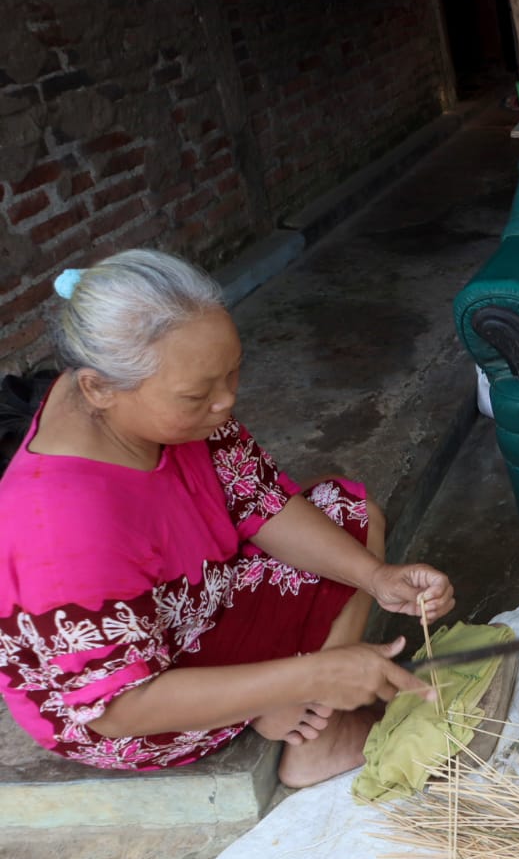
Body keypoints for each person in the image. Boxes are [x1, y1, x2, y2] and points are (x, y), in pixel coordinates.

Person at [0, 250, 457, 788]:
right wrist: (308, 674)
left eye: (233, 372)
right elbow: (118, 707)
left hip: (195, 607)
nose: (226, 402)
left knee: (345, 513)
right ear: (98, 388)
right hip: (135, 711)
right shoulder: (60, 524)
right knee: (318, 620)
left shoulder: (161, 409)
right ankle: (311, 723)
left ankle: (306, 720)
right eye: (198, 394)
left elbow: (260, 503)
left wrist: (376, 579)